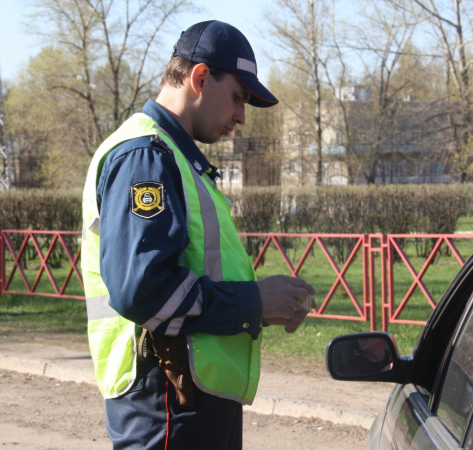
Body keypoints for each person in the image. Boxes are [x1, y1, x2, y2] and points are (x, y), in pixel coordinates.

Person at [80, 20, 316, 449]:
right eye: (238, 98)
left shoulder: (177, 159)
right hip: (166, 405)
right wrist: (253, 301)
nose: (241, 117)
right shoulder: (145, 157)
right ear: (200, 77)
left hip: (188, 401)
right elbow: (142, 290)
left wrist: (263, 306)